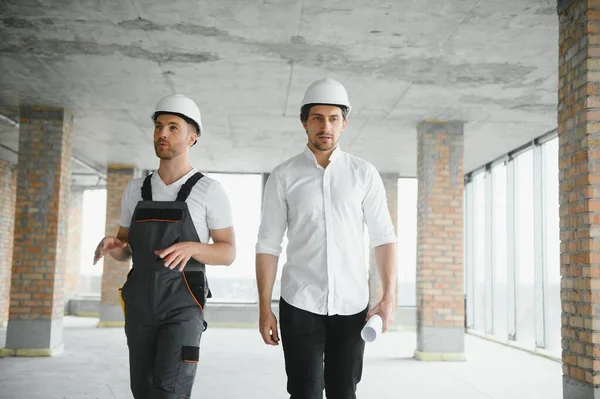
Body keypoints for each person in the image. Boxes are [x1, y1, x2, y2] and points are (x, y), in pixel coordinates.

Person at [255, 78, 397, 399]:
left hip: (352, 307)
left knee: (344, 392)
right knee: (303, 393)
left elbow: (383, 238)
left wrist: (388, 297)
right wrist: (265, 307)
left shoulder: (364, 174)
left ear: (344, 123)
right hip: (299, 303)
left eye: (333, 118)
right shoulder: (284, 175)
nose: (325, 126)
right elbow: (267, 245)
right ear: (304, 122)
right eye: (317, 118)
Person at [92, 94, 236, 399]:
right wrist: (113, 246)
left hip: (182, 304)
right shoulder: (136, 190)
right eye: (159, 126)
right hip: (140, 302)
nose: (163, 134)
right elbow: (126, 250)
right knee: (142, 390)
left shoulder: (209, 190)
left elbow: (227, 252)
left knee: (170, 390)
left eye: (173, 127)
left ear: (192, 137)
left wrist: (191, 248)